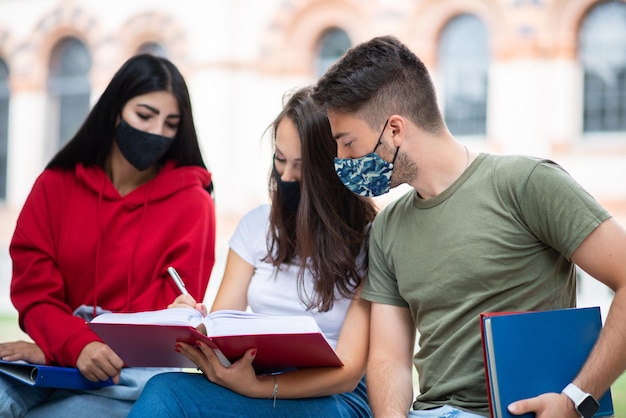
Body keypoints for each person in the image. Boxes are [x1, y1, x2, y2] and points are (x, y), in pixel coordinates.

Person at [310, 35, 626, 418]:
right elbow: (389, 359)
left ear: (394, 130)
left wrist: (577, 400)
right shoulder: (387, 228)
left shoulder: (526, 183)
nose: (341, 160)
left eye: (347, 143)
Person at [128, 86, 378, 418]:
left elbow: (347, 373)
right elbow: (220, 332)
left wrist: (259, 389)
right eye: (280, 159)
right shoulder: (255, 226)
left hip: (332, 397)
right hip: (256, 382)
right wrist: (193, 327)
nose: (286, 176)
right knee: (163, 391)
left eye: (301, 166)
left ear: (332, 169)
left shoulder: (370, 239)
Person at [0, 53, 216, 417]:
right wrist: (70, 347)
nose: (157, 132)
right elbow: (34, 292)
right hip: (59, 356)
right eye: (145, 116)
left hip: (130, 375)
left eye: (171, 123)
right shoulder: (55, 186)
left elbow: (162, 324)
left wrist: (68, 347)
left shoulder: (193, 203)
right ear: (116, 110)